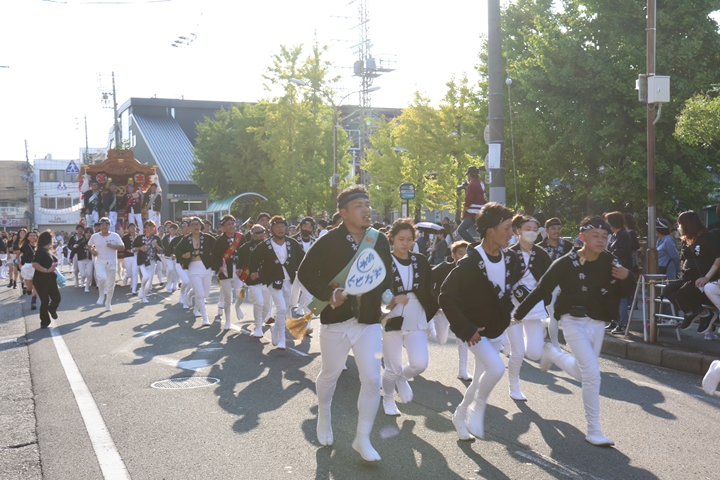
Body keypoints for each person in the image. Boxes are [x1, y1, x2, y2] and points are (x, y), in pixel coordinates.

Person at [513, 215, 634, 446]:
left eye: (605, 236)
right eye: (595, 236)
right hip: (573, 321)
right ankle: (594, 430)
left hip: (598, 322)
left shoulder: (611, 261)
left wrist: (628, 276)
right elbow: (542, 289)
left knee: (582, 372)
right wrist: (517, 316)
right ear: (582, 237)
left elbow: (627, 291)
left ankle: (553, 354)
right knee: (592, 375)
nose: (601, 240)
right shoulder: (565, 263)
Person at [297, 185, 392, 462]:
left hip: (368, 321)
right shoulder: (328, 240)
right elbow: (305, 272)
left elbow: (385, 274)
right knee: (331, 373)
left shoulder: (378, 239)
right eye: (359, 206)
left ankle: (362, 437)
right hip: (336, 321)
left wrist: (387, 296)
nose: (366, 210)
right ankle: (324, 412)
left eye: (367, 204)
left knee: (372, 379)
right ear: (344, 213)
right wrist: (328, 295)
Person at [440, 202, 520, 441]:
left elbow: (511, 290)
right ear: (491, 231)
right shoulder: (470, 263)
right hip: (475, 331)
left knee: (477, 381)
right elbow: (446, 296)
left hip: (497, 329)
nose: (512, 233)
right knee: (496, 368)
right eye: (507, 228)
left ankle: (460, 414)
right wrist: (466, 329)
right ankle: (477, 408)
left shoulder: (511, 258)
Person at [382, 219, 439, 416]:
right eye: (401, 239)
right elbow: (376, 291)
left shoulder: (420, 260)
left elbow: (428, 288)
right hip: (391, 317)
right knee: (392, 367)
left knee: (419, 363)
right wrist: (392, 300)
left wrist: (434, 311)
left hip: (416, 316)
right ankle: (388, 398)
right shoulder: (384, 262)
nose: (405, 243)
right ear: (392, 239)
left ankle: (402, 378)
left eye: (409, 239)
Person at [507, 215, 552, 401]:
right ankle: (514, 387)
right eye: (527, 229)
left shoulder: (542, 254)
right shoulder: (508, 254)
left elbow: (551, 278)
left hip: (534, 307)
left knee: (534, 353)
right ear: (518, 231)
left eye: (535, 229)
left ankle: (512, 342)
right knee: (517, 352)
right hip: (512, 308)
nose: (532, 232)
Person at [247, 215, 305, 349]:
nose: (280, 229)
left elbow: (303, 259)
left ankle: (275, 329)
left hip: (289, 280)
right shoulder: (265, 245)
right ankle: (282, 339)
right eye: (277, 227)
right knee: (281, 307)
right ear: (271, 229)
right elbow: (254, 258)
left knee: (285, 308)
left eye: (282, 226)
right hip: (273, 280)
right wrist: (253, 271)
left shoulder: (292, 243)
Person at [662, 210, 720, 333]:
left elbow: (718, 258)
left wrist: (707, 277)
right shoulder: (687, 240)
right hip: (688, 276)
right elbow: (683, 258)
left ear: (688, 224)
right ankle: (692, 312)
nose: (679, 227)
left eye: (681, 224)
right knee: (667, 290)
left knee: (683, 294)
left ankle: (705, 315)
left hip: (701, 278)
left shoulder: (708, 237)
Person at [431, 241, 471, 380]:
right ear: (453, 255)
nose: (463, 257)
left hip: (460, 312)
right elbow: (427, 280)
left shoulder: (473, 271)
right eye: (460, 253)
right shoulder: (444, 267)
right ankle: (430, 327)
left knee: (462, 340)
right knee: (441, 340)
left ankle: (462, 371)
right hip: (441, 311)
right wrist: (434, 301)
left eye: (466, 254)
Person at [175, 217, 216, 325]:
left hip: (206, 267)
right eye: (193, 224)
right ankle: (205, 318)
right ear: (189, 227)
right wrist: (183, 255)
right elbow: (177, 251)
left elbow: (217, 248)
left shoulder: (208, 238)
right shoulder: (185, 240)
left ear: (201, 225)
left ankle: (190, 296)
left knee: (205, 294)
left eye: (198, 224)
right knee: (200, 293)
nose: (196, 226)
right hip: (193, 267)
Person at [237, 224, 272, 338]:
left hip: (267, 279)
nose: (259, 235)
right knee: (259, 302)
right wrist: (239, 269)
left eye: (261, 232)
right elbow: (239, 263)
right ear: (251, 234)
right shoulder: (244, 248)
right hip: (252, 280)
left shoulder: (271, 245)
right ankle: (258, 327)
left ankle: (260, 322)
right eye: (256, 233)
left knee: (267, 306)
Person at [604, 212, 634, 334]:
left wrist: (613, 254)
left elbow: (625, 251)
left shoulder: (624, 235)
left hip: (622, 269)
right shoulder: (615, 235)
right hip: (614, 268)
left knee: (621, 297)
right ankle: (614, 320)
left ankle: (622, 323)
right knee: (613, 296)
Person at [212, 215, 244, 330]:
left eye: (232, 224)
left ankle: (238, 306)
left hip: (238, 271)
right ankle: (228, 321)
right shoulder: (219, 241)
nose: (231, 226)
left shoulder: (241, 238)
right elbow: (214, 257)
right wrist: (219, 267)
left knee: (241, 294)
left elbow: (246, 254)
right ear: (223, 228)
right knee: (228, 298)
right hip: (225, 272)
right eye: (228, 224)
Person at [88, 217, 124, 311]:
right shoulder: (95, 236)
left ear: (109, 226)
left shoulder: (115, 236)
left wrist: (112, 246)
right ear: (99, 226)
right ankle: (101, 295)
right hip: (100, 262)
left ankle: (108, 302)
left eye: (106, 225)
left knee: (110, 285)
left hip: (111, 262)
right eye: (102, 225)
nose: (104, 227)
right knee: (101, 278)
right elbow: (89, 245)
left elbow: (122, 247)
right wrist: (93, 251)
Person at [32, 231, 60, 329]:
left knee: (57, 298)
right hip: (41, 280)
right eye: (52, 238)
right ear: (48, 239)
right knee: (45, 300)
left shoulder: (48, 250)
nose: (53, 240)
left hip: (51, 279)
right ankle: (44, 321)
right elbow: (35, 264)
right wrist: (46, 270)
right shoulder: (40, 250)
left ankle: (51, 309)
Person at [132, 220, 163, 304]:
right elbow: (133, 249)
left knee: (149, 283)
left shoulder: (156, 238)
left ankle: (143, 294)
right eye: (150, 227)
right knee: (145, 277)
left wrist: (156, 246)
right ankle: (143, 293)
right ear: (145, 228)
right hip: (142, 261)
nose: (152, 229)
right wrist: (140, 248)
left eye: (153, 227)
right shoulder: (139, 238)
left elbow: (161, 250)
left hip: (152, 261)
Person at [457, 166, 486, 242]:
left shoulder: (472, 185)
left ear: (470, 175)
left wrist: (463, 213)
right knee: (481, 231)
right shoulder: (481, 183)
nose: (468, 177)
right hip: (481, 210)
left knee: (461, 230)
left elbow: (468, 201)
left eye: (468, 175)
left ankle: (473, 244)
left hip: (473, 212)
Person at [172, 221, 195, 311]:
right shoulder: (178, 239)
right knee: (186, 281)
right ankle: (183, 294)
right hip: (180, 264)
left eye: (188, 226)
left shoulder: (195, 238)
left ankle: (187, 297)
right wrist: (180, 255)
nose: (186, 228)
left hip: (191, 264)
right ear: (181, 229)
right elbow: (173, 249)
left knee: (191, 283)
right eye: (184, 227)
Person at [19, 230, 39, 310]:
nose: (32, 237)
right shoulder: (25, 246)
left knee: (36, 285)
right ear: (27, 238)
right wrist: (19, 264)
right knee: (30, 288)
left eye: (34, 235)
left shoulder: (39, 246)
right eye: (31, 236)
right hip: (28, 267)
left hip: (37, 267)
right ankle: (28, 290)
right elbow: (18, 255)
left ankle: (33, 302)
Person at [73, 227, 94, 293]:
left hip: (90, 260)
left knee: (89, 274)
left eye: (90, 233)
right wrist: (70, 258)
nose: (88, 234)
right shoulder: (80, 241)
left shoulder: (93, 241)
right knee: (83, 274)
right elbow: (74, 249)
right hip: (81, 260)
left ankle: (87, 287)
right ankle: (82, 280)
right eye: (87, 232)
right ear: (84, 233)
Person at [121, 223, 139, 295]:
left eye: (134, 227)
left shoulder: (138, 236)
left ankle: (134, 289)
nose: (132, 228)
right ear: (128, 229)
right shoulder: (125, 237)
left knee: (135, 272)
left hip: (136, 256)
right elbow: (122, 247)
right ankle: (126, 276)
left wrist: (139, 249)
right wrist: (128, 250)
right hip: (127, 256)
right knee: (129, 272)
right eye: (131, 227)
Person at [162, 223, 179, 293]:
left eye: (174, 229)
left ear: (177, 230)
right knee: (171, 269)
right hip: (168, 256)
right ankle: (169, 283)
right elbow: (163, 246)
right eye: (171, 229)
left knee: (176, 270)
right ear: (169, 230)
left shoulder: (179, 238)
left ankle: (175, 282)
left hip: (177, 257)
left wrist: (175, 254)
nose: (172, 231)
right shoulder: (166, 237)